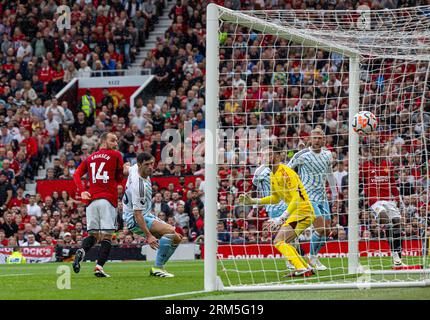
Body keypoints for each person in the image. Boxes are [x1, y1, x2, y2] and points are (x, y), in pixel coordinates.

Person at [239, 146, 315, 276]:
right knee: (284, 241)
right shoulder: (273, 175)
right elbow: (275, 198)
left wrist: (282, 218)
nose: (265, 158)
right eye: (263, 155)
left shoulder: (285, 172)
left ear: (278, 157)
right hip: (298, 212)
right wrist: (253, 201)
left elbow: (296, 198)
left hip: (303, 211)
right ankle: (305, 267)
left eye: (269, 155)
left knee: (279, 241)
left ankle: (302, 268)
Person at [72, 132, 126, 277]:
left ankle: (82, 251)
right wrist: (125, 168)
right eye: (113, 140)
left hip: (91, 201)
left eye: (116, 140)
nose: (116, 143)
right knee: (107, 236)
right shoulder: (116, 155)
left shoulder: (90, 158)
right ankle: (99, 267)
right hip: (107, 200)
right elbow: (120, 178)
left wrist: (83, 191)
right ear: (103, 141)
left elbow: (76, 174)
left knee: (94, 236)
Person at [122, 152, 182, 277]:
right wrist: (149, 236)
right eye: (147, 164)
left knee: (177, 238)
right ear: (139, 165)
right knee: (170, 231)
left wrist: (123, 170)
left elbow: (125, 167)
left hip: (145, 214)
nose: (150, 167)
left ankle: (158, 266)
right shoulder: (139, 187)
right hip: (135, 219)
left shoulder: (134, 169)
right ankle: (157, 268)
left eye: (152, 164)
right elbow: (137, 214)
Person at [287, 127, 338, 271]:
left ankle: (314, 257)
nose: (316, 140)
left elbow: (329, 174)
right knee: (320, 228)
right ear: (310, 138)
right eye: (314, 138)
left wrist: (334, 194)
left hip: (322, 197)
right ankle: (311, 258)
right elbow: (287, 171)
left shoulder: (328, 155)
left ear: (324, 139)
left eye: (319, 138)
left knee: (327, 230)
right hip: (308, 197)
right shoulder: (301, 155)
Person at [360, 143, 406, 268]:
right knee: (385, 219)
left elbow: (393, 183)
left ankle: (397, 258)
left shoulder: (388, 165)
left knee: (398, 225)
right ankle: (395, 255)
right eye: (374, 149)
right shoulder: (365, 166)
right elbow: (358, 182)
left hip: (389, 200)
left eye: (379, 150)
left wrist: (397, 198)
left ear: (382, 151)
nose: (376, 152)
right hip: (374, 201)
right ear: (370, 151)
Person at [251, 161, 295, 270]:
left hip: (287, 204)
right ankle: (290, 261)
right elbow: (254, 187)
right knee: (282, 235)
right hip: (273, 206)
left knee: (292, 234)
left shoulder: (282, 168)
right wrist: (255, 206)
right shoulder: (259, 170)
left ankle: (293, 260)